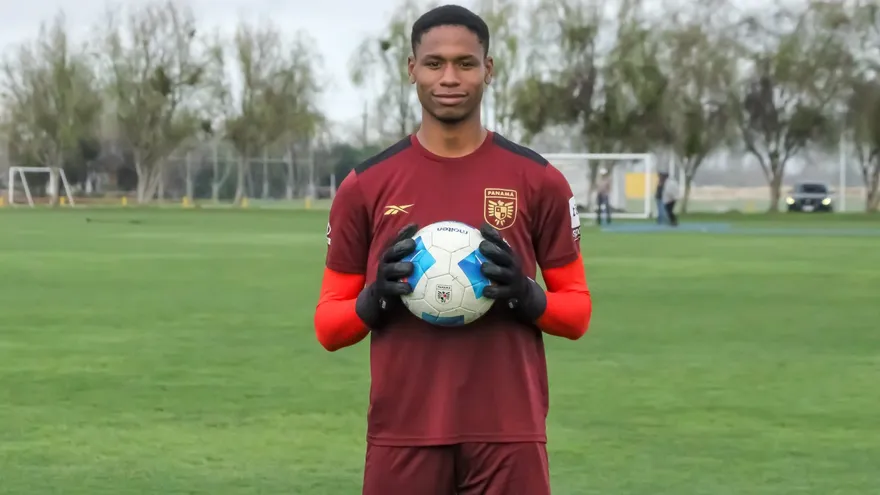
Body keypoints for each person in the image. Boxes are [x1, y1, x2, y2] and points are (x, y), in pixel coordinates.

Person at [313, 5, 593, 494]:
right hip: (404, 434)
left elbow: (578, 313)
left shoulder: (539, 180)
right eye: (434, 63)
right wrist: (375, 297)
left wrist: (529, 297)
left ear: (488, 70)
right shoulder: (365, 186)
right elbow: (328, 328)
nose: (449, 77)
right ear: (411, 70)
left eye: (465, 63)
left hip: (509, 435)